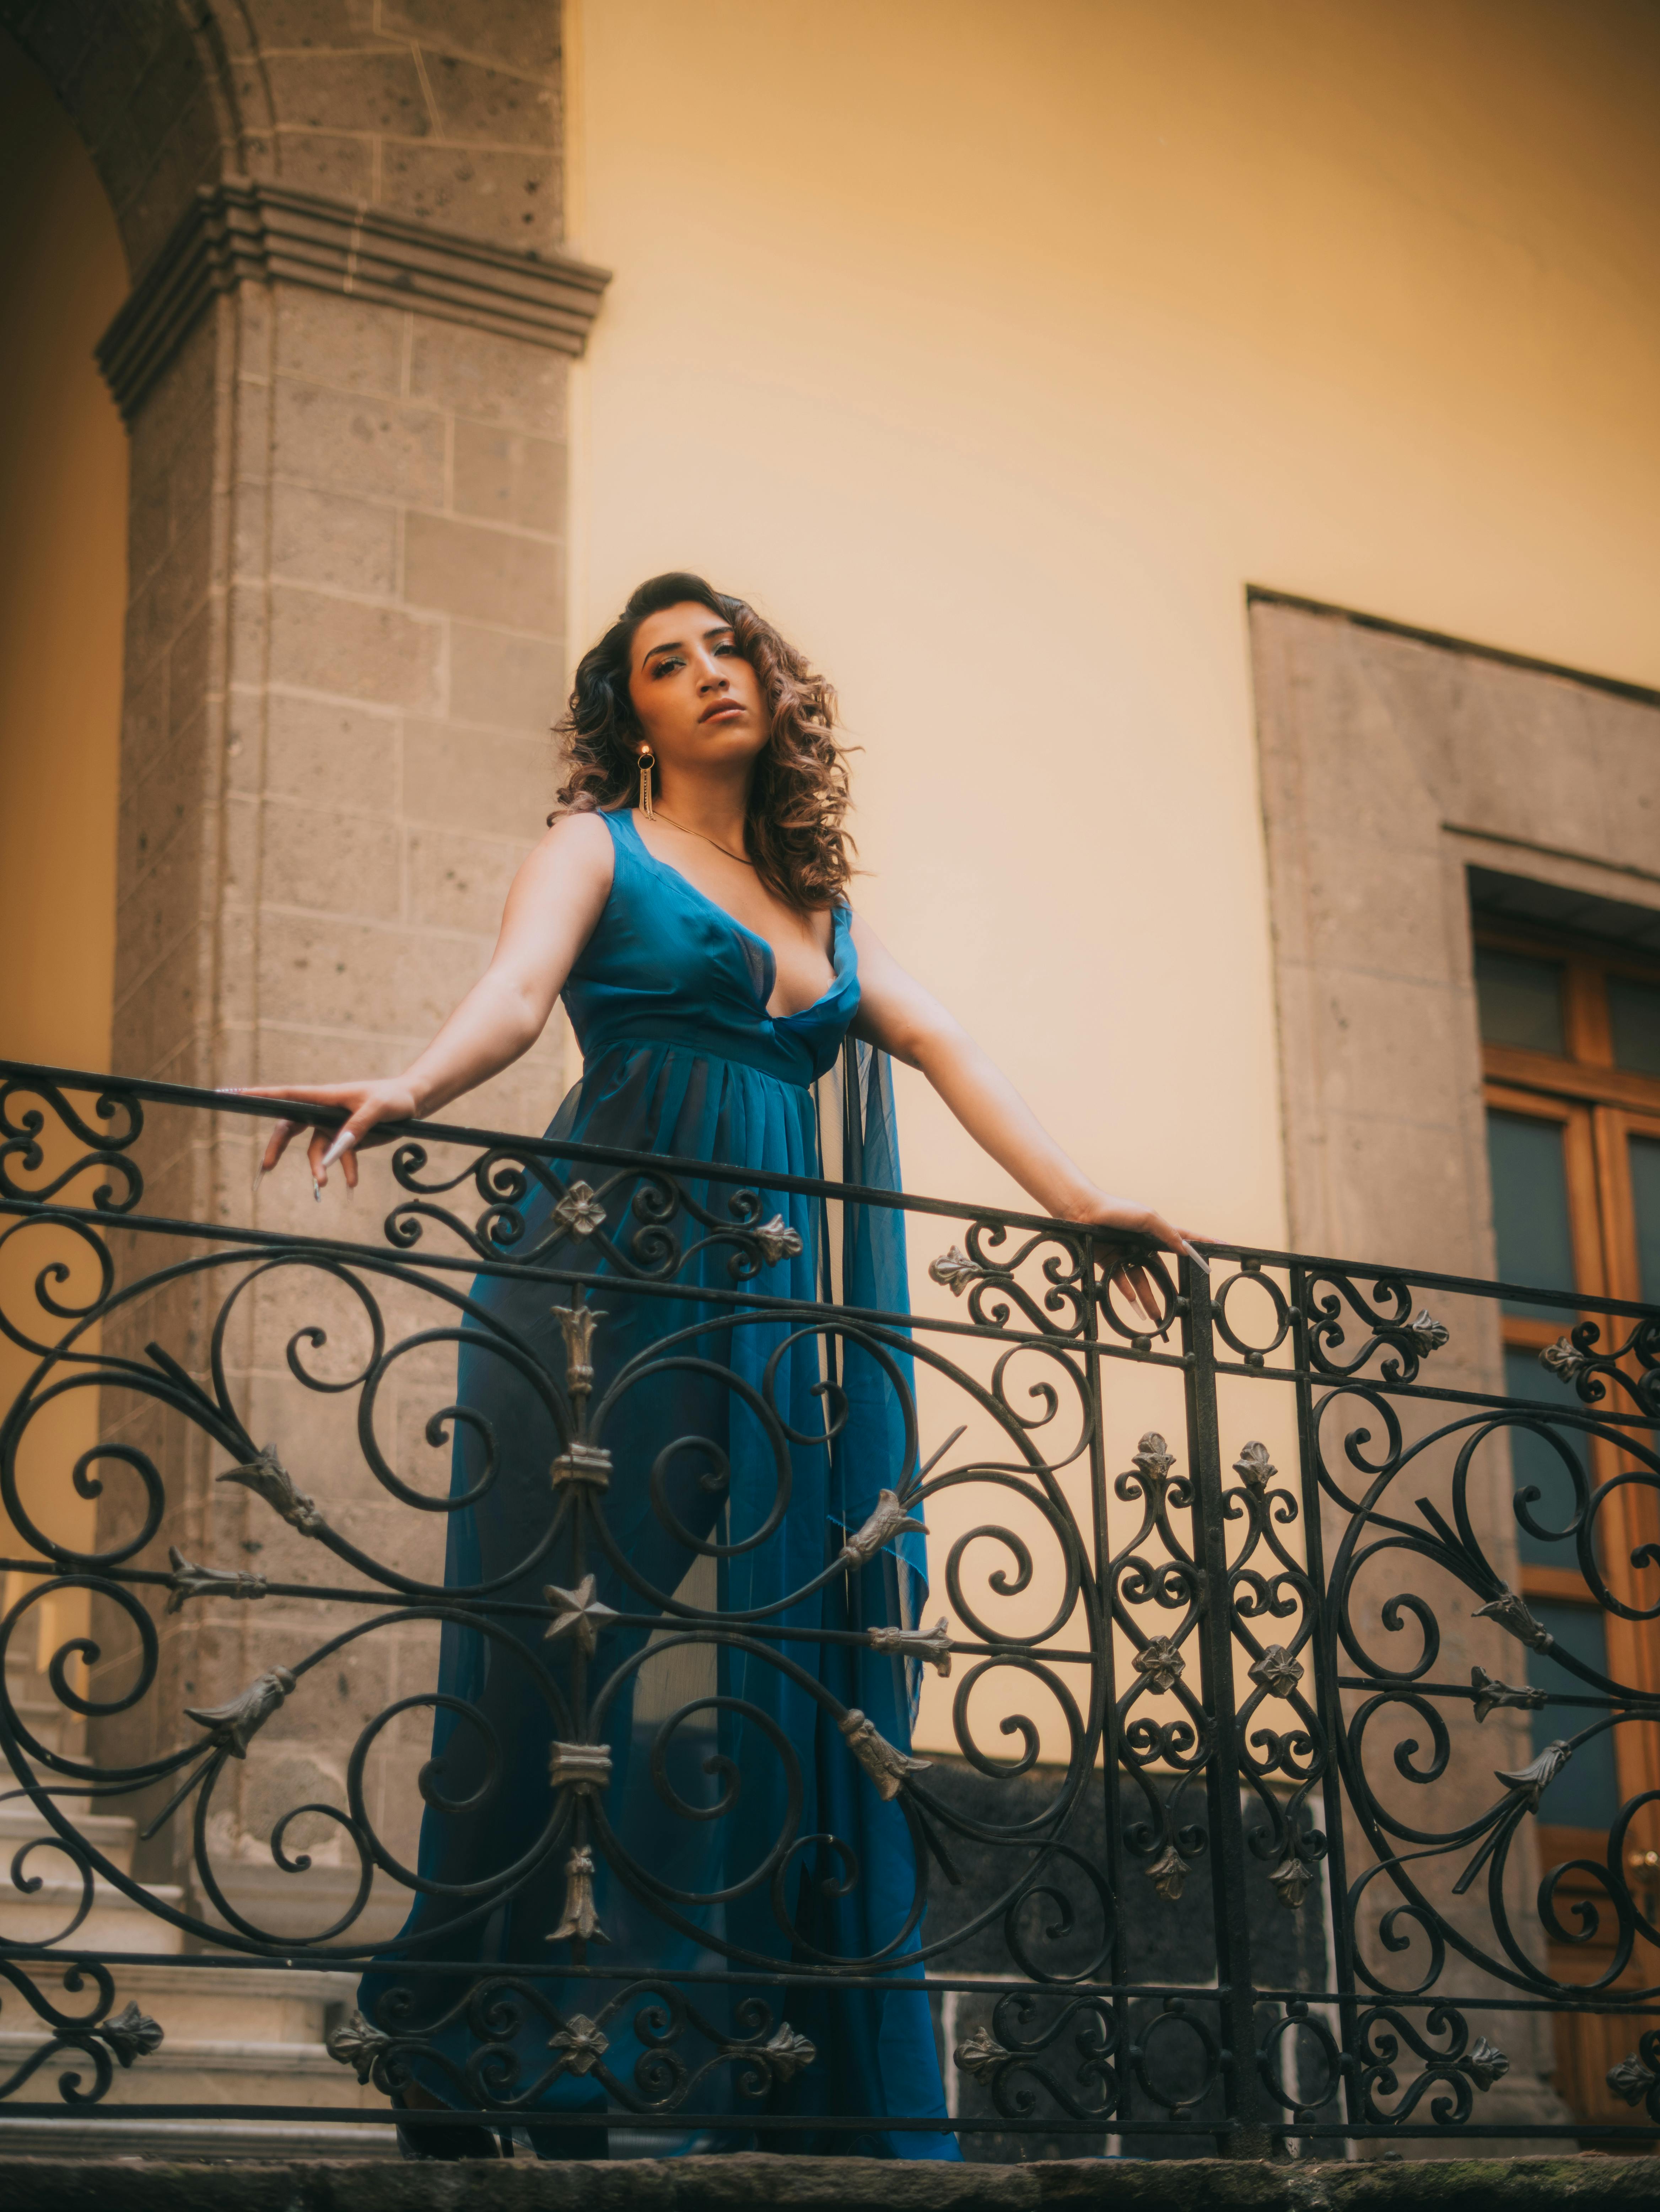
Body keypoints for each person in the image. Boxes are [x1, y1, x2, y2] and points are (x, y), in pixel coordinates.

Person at [239, 572, 1204, 2161]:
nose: (705, 675)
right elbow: (514, 997)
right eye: (664, 663)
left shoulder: (823, 913)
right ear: (630, 712)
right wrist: (407, 1085)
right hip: (593, 1279)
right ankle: (463, 2031)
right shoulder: (593, 846)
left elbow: (955, 1053)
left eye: (727, 648)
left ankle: (646, 2050)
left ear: (773, 681)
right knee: (553, 1655)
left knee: (746, 1664)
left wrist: (1084, 1203)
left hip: (761, 1312)